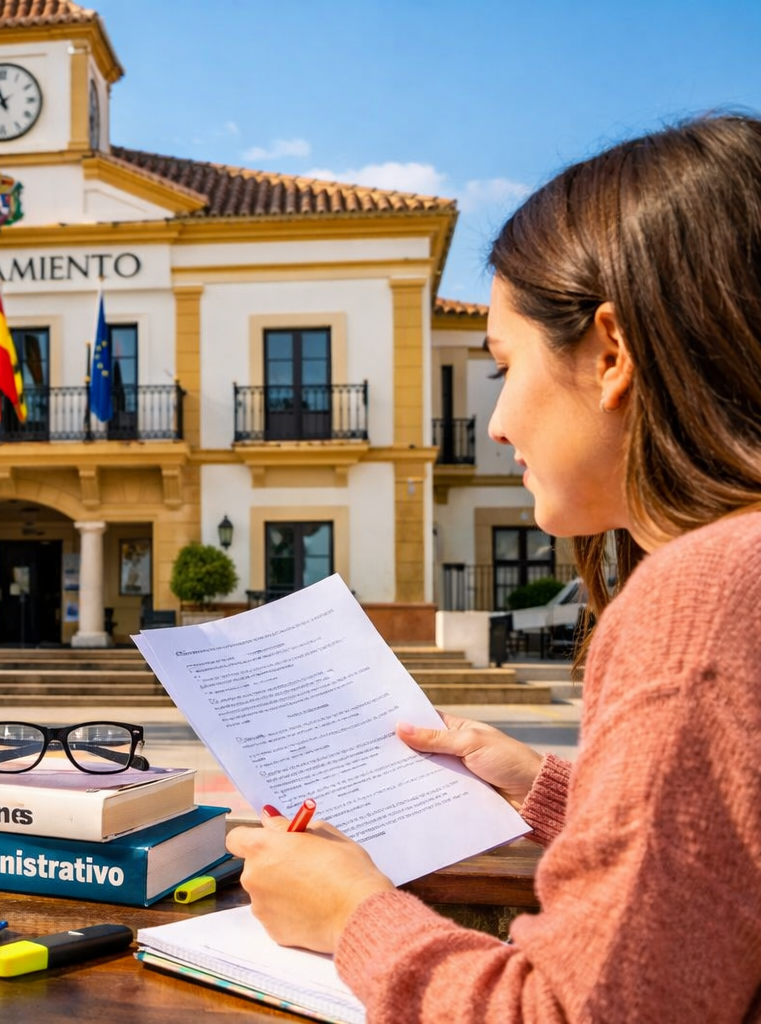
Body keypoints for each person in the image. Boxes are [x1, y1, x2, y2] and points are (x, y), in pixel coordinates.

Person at [229, 113, 761, 1022]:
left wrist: (352, 913)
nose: (499, 423)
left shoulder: (702, 598)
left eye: (503, 368)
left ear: (611, 354)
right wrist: (544, 788)